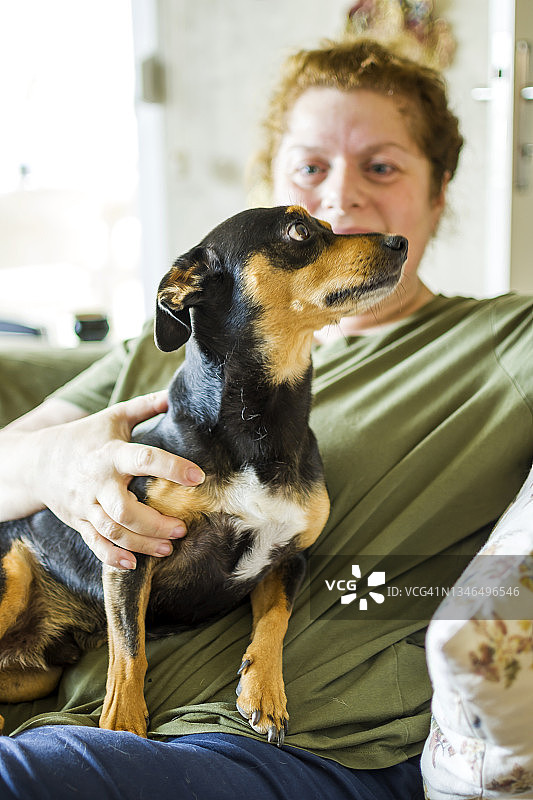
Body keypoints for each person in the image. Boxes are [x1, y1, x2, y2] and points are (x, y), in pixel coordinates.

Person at [0, 37, 531, 800]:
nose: (338, 198)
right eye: (311, 168)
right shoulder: (159, 352)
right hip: (61, 708)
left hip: (284, 744)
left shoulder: (502, 342)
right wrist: (51, 467)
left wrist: (451, 598)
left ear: (439, 190)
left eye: (380, 167)